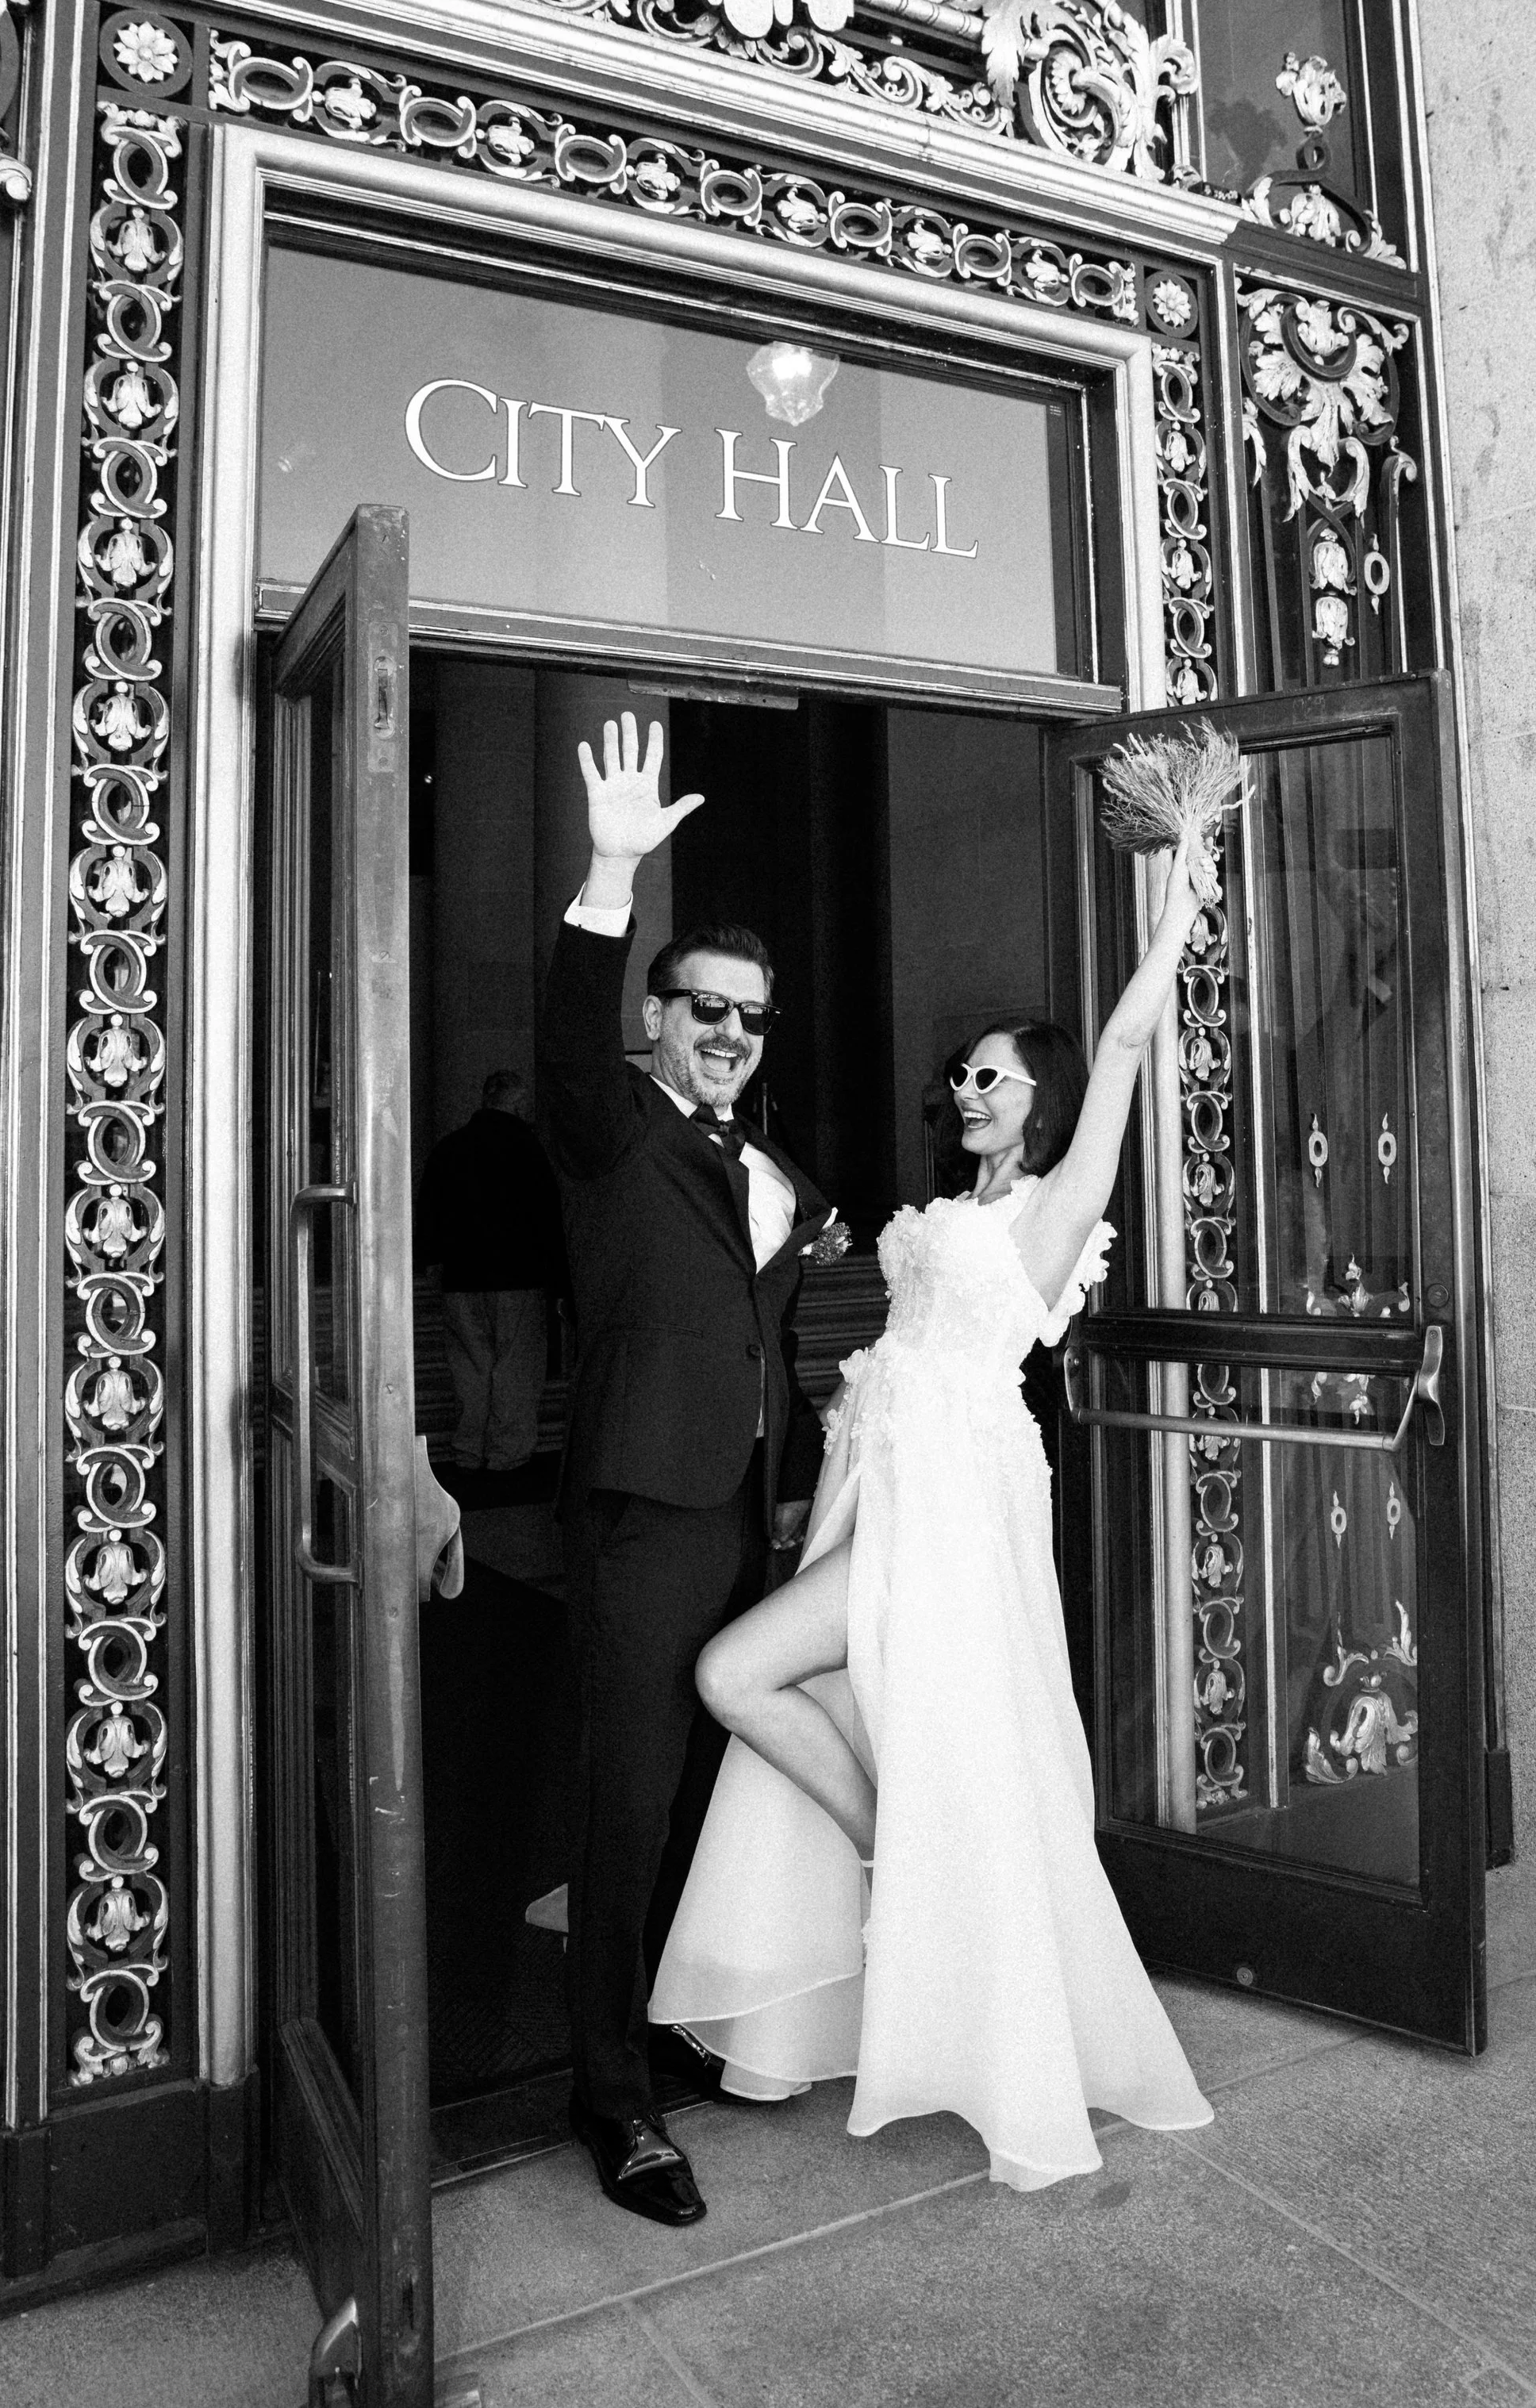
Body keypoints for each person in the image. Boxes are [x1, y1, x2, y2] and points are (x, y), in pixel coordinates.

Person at [649, 824, 1217, 2191]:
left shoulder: (1055, 1212)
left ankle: (907, 1868)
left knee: (739, 1673)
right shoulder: (941, 1207)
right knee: (745, 1672)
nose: (968, 1087)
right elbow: (876, 1375)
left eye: (996, 1076)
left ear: (1044, 1099)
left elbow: (1132, 1052)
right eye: (964, 1072)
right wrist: (824, 1511)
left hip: (961, 1508)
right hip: (882, 1488)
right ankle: (902, 1852)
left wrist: (1179, 906)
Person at [536, 711, 832, 2229]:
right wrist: (609, 873)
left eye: (749, 1016)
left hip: (748, 1511)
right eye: (701, 1007)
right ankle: (612, 2099)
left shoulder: (764, 1157)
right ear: (653, 1015)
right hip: (646, 1511)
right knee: (629, 1800)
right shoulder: (606, 1131)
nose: (725, 1031)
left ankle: (683, 2016)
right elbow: (565, 1043)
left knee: (716, 1780)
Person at [415, 1069, 568, 1472]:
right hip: (520, 1277)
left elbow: (429, 1211)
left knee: (469, 1367)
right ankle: (508, 1455)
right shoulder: (531, 1150)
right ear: (518, 1105)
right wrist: (560, 1281)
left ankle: (467, 1450)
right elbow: (550, 1218)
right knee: (516, 1370)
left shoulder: (450, 1148)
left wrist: (431, 1264)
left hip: (461, 1278)